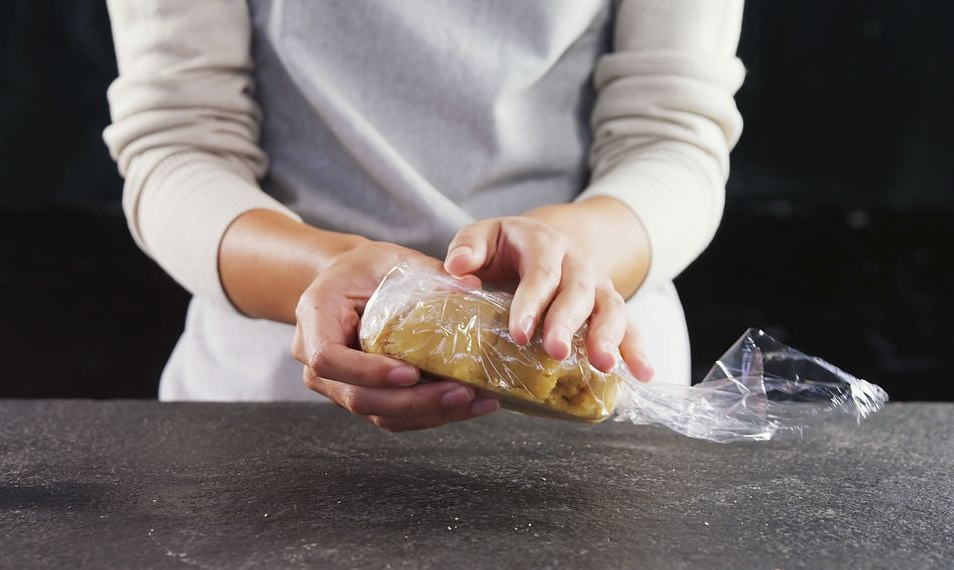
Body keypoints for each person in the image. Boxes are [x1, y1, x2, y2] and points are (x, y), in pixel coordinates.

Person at [103, 0, 745, 431]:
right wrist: (324, 271)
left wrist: (564, 254)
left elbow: (671, 137)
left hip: (589, 383)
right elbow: (178, 145)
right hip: (274, 405)